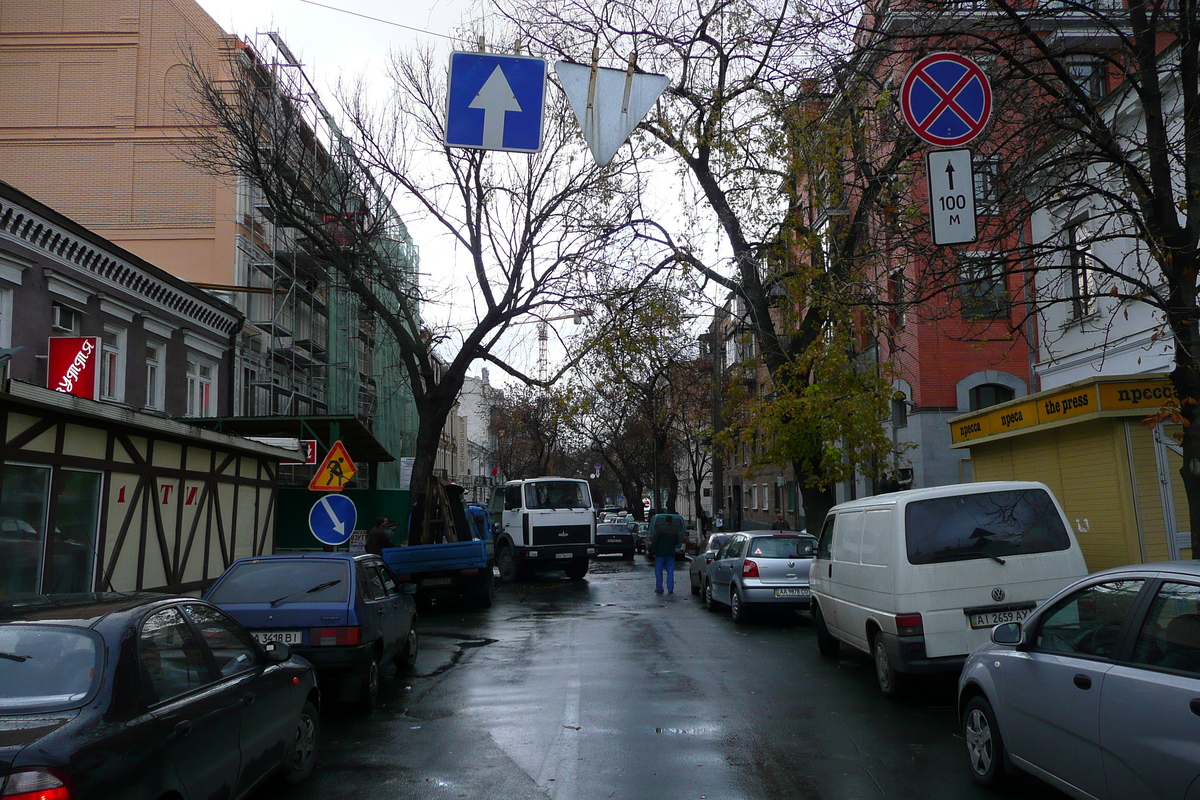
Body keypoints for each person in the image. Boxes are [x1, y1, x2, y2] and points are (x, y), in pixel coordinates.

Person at [649, 514, 684, 594]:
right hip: (670, 553)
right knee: (670, 572)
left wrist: (650, 549)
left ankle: (659, 588)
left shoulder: (660, 529)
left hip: (660, 553)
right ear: (671, 521)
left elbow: (655, 541)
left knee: (658, 571)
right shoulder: (674, 530)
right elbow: (677, 542)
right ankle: (670, 588)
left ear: (665, 521)